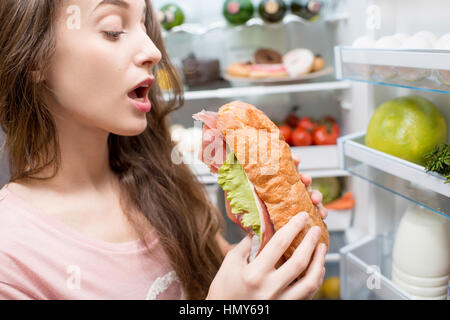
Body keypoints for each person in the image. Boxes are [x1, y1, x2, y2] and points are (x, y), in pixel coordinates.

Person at [0, 0, 328, 300]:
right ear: (35, 58)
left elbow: (216, 282)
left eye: (145, 26)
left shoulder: (161, 182)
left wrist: (268, 242)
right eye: (113, 31)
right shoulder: (12, 256)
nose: (152, 51)